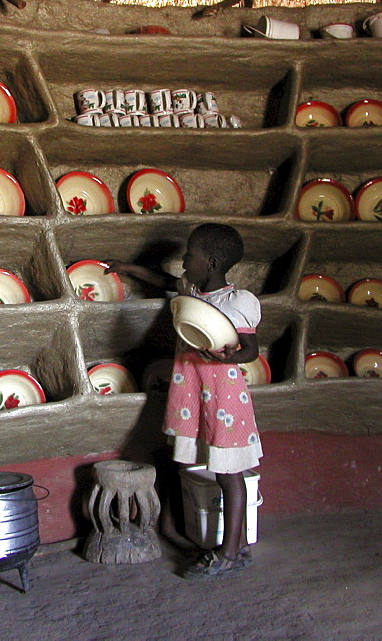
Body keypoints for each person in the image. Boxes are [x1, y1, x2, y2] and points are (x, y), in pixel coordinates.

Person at [106, 222, 262, 579]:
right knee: (202, 464)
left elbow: (251, 350)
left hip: (223, 396)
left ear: (209, 261)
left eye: (188, 255)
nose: (183, 261)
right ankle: (221, 545)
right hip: (192, 389)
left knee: (228, 472)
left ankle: (230, 551)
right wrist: (129, 269)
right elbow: (164, 281)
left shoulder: (237, 302)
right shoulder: (191, 290)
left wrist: (229, 357)